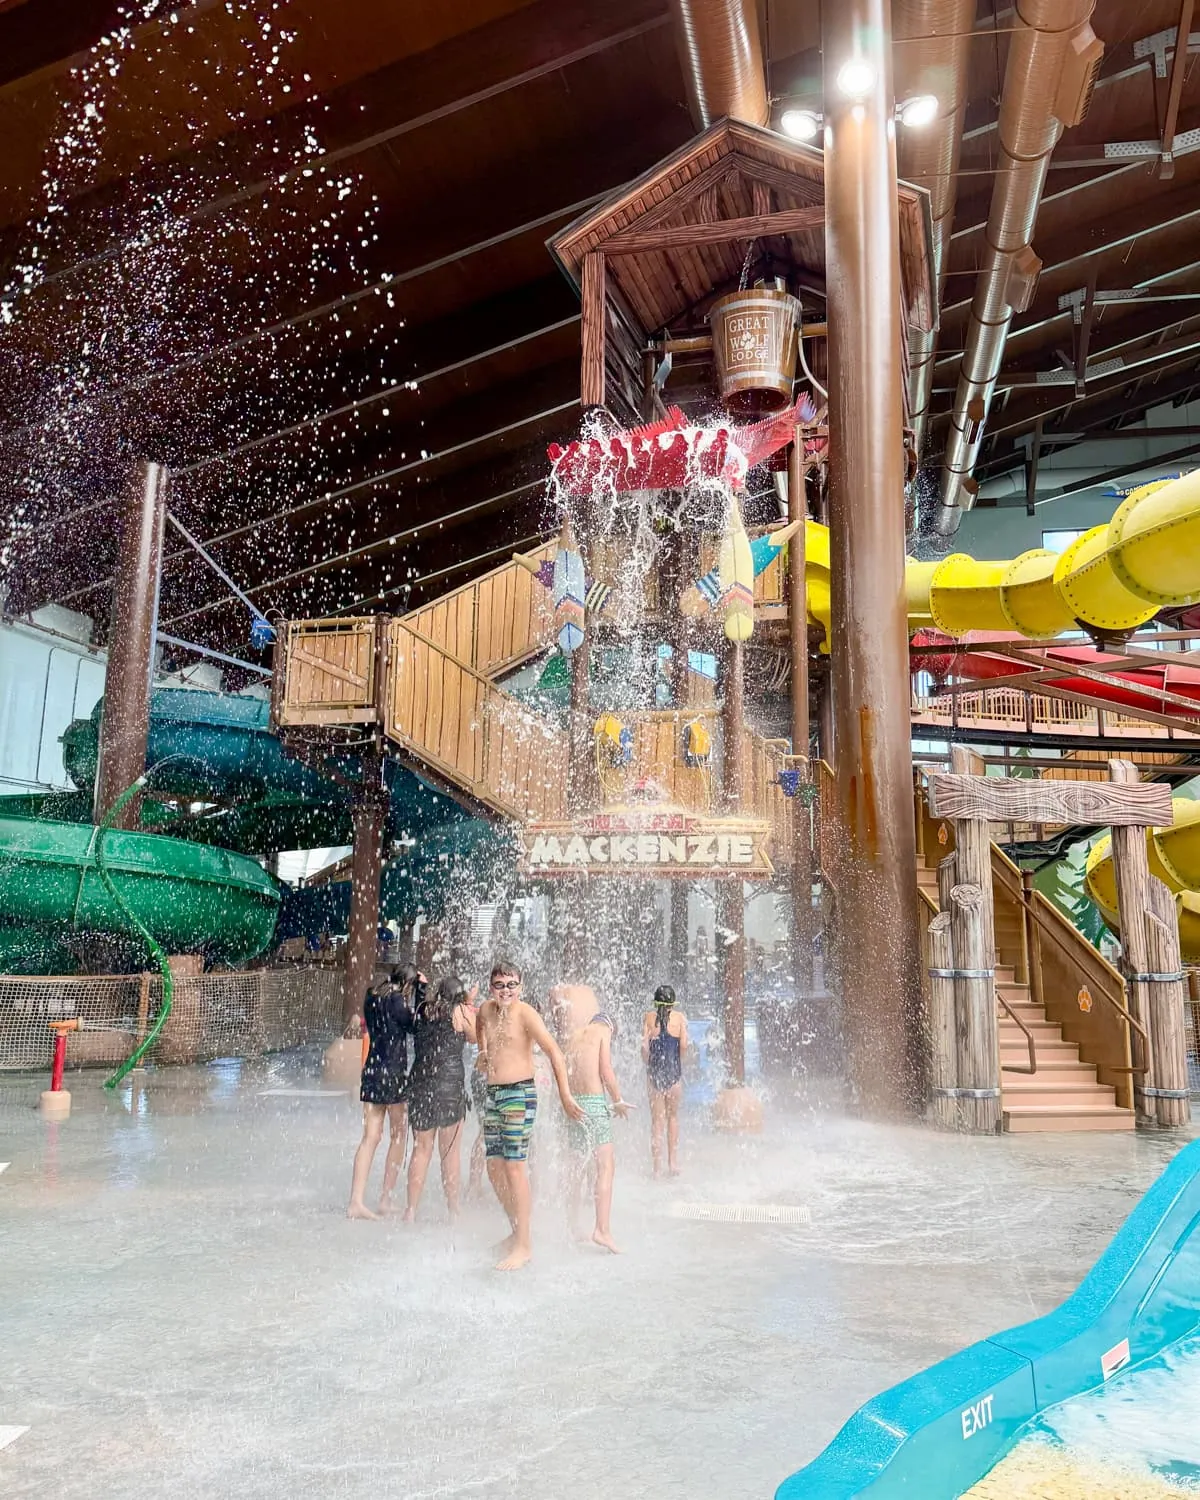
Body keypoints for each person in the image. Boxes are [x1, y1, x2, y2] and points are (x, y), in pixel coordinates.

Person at [475, 958, 583, 1271]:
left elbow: (554, 1052)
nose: (505, 990)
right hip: (493, 1095)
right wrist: (482, 1053)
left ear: (519, 987)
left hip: (519, 1094)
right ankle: (516, 1231)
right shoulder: (485, 1010)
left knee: (514, 1168)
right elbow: (479, 1029)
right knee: (493, 1166)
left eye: (511, 985)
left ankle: (524, 1245)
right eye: (499, 984)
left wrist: (564, 1095)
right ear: (491, 986)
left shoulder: (526, 1013)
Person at [348, 964, 420, 1219]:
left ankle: (355, 1201)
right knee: (399, 1134)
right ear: (408, 984)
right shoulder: (398, 1001)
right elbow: (416, 1026)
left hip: (371, 1072)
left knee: (370, 1137)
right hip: (393, 1074)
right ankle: (385, 1198)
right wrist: (421, 991)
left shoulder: (372, 996)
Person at [402, 975, 477, 1221]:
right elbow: (475, 1036)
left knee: (421, 1150)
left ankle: (411, 1211)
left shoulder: (424, 1010)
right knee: (450, 1153)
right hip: (449, 1088)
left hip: (420, 1085)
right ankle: (453, 1210)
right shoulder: (460, 1013)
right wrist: (470, 1003)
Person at [563, 1009, 632, 1253]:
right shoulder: (603, 1032)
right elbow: (606, 1071)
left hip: (573, 1105)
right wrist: (618, 1099)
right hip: (593, 1103)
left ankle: (572, 1225)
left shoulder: (574, 1035)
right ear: (611, 1026)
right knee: (605, 1166)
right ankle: (602, 1230)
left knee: (576, 1166)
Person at [642, 983, 688, 1177]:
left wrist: (648, 1063)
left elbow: (644, 1049)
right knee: (673, 1118)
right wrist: (678, 1063)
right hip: (674, 1075)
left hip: (654, 1076)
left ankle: (656, 1169)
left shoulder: (648, 1018)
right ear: (672, 1004)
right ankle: (673, 1163)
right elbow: (683, 1047)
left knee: (656, 1122)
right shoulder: (680, 1019)